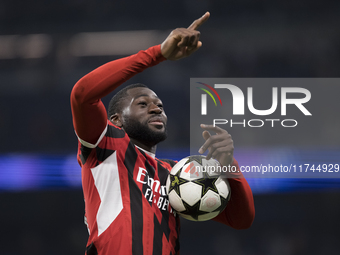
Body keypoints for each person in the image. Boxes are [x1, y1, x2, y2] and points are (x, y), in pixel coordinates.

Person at [71, 12, 255, 255]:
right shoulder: (105, 145)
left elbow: (240, 219)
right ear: (115, 120)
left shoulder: (176, 175)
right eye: (142, 104)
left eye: (159, 104)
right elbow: (82, 95)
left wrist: (230, 166)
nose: (156, 107)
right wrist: (156, 55)